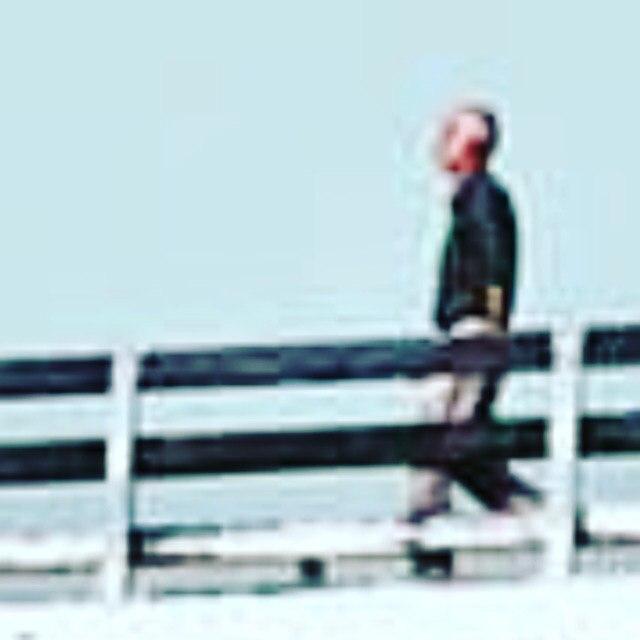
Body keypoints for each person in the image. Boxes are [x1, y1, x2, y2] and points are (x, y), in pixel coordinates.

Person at [407, 105, 526, 526]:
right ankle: (526, 509)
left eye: (448, 137)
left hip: (472, 331)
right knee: (460, 442)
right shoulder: (474, 197)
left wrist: (485, 327)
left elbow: (493, 265)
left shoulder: (481, 197)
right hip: (470, 329)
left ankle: (427, 516)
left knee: (447, 432)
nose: (438, 146)